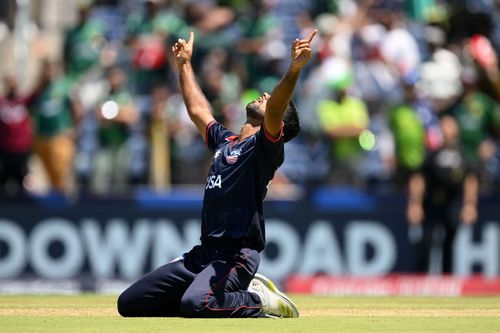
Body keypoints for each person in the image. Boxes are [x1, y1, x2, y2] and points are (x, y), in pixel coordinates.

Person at [118, 29, 317, 318]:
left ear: (278, 122)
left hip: (236, 256)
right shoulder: (226, 142)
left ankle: (259, 300)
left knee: (196, 304)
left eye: (271, 99)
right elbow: (198, 110)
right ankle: (209, 297)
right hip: (204, 255)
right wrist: (184, 64)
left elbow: (275, 109)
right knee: (130, 303)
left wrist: (295, 69)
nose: (264, 95)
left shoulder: (265, 148)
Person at [407, 115, 479, 274]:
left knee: (450, 245)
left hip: (453, 203)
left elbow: (470, 181)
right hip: (431, 203)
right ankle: (422, 281)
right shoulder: (432, 154)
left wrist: (469, 205)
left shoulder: (463, 155)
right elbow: (419, 179)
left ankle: (448, 282)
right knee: (426, 243)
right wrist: (415, 204)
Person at [0, 75, 33, 197]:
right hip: (3, 152)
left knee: (22, 185)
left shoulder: (23, 101)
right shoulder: (1, 102)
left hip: (21, 152)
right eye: (9, 83)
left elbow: (37, 92)